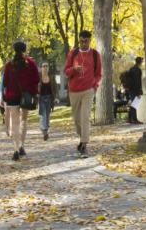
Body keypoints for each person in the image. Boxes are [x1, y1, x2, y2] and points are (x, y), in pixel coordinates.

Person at [64, 30, 101, 158]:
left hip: (88, 90)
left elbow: (98, 73)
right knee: (77, 119)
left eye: (86, 41)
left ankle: (84, 144)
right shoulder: (72, 54)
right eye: (81, 41)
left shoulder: (95, 55)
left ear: (90, 41)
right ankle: (81, 138)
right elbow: (66, 72)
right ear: (79, 40)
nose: (83, 43)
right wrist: (74, 69)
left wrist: (94, 86)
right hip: (74, 90)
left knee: (85, 117)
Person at [2, 40, 40, 161]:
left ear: (14, 50)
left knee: (15, 123)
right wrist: (33, 92)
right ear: (25, 50)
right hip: (26, 96)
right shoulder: (30, 63)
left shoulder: (9, 65)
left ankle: (15, 149)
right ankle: (22, 145)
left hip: (12, 96)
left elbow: (6, 82)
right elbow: (36, 79)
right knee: (23, 120)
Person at [38, 61, 56, 140]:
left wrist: (56, 97)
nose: (45, 68)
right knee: (43, 115)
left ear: (48, 68)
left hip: (49, 99)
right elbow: (35, 87)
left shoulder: (51, 77)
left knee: (47, 116)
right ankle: (45, 132)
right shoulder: (39, 78)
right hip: (41, 99)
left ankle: (44, 129)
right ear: (41, 68)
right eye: (43, 66)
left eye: (46, 66)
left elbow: (55, 88)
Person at [126, 56, 143, 124]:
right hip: (135, 89)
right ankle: (134, 119)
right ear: (140, 62)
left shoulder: (131, 69)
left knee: (133, 103)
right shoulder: (137, 70)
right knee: (135, 104)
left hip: (131, 89)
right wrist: (139, 91)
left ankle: (130, 119)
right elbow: (137, 81)